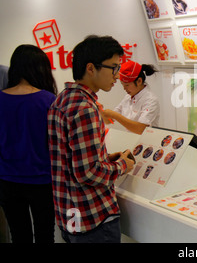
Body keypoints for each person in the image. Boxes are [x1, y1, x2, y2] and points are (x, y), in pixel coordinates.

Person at [47, 35, 135, 243]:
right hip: (93, 218)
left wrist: (106, 158)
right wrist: (122, 165)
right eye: (113, 68)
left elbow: (71, 160)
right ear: (90, 68)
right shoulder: (85, 108)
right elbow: (87, 172)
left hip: (69, 214)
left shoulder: (62, 99)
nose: (117, 76)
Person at [0, 45, 57, 243]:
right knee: (45, 234)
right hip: (42, 180)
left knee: (19, 235)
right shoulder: (49, 101)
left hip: (7, 179)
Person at [101, 60, 160, 134]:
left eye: (127, 85)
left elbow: (140, 129)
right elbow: (109, 120)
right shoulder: (128, 97)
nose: (124, 88)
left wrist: (115, 115)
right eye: (122, 85)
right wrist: (100, 111)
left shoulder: (151, 100)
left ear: (139, 81)